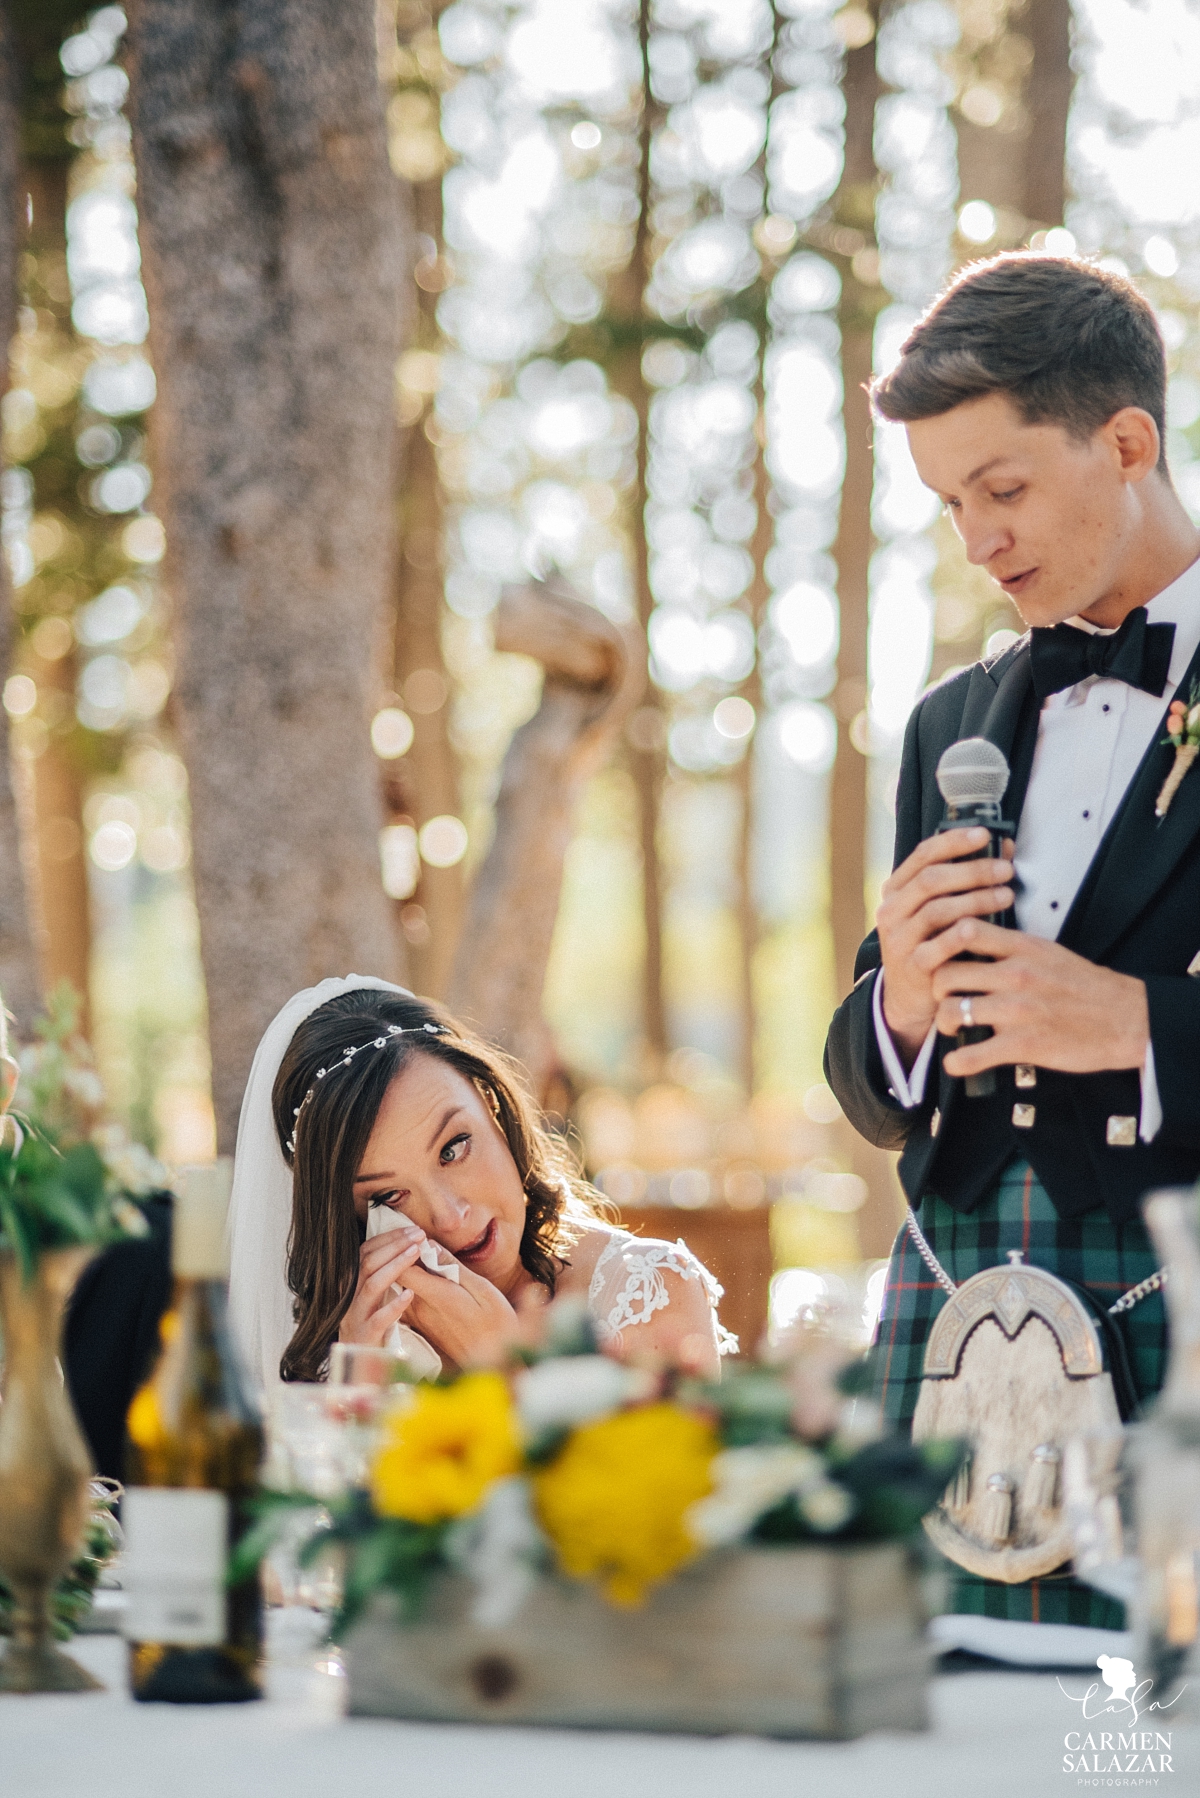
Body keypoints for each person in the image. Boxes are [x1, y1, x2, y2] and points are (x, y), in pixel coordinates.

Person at [825, 253, 1198, 1656]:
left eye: (1004, 488)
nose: (978, 540)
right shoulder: (948, 723)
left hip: (1185, 1322)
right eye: (947, 505)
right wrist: (901, 1005)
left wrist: (1139, 1027)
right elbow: (872, 1085)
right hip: (952, 1327)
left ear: (1126, 440)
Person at [227, 976, 732, 1394]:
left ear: (493, 1106)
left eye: (453, 1148)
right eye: (387, 1195)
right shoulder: (356, 1341)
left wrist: (505, 1373)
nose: (449, 1217)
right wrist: (362, 1383)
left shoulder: (649, 1291)